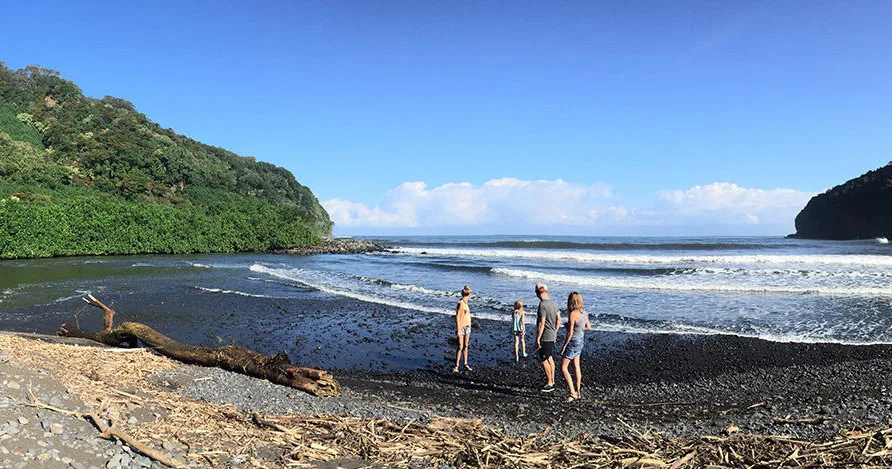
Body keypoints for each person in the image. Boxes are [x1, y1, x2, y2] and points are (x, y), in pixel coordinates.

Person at [560, 291, 592, 402]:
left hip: (573, 341)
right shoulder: (584, 313)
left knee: (564, 368)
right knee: (576, 367)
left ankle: (572, 393)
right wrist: (579, 328)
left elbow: (570, 333)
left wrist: (564, 346)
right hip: (581, 340)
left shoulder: (573, 314)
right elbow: (588, 327)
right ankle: (578, 392)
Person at [534, 283, 560, 392]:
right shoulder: (554, 303)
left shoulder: (542, 305)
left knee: (543, 359)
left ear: (536, 293)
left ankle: (550, 383)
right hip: (552, 334)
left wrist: (538, 338)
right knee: (549, 357)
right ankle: (552, 380)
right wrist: (555, 331)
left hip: (545, 336)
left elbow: (542, 323)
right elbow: (558, 319)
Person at [453, 285, 473, 373]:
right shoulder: (460, 303)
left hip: (467, 327)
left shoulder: (466, 303)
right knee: (460, 346)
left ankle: (465, 363)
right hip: (462, 327)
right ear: (468, 295)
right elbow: (457, 317)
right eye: (470, 294)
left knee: (466, 345)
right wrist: (458, 329)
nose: (471, 296)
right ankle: (456, 366)